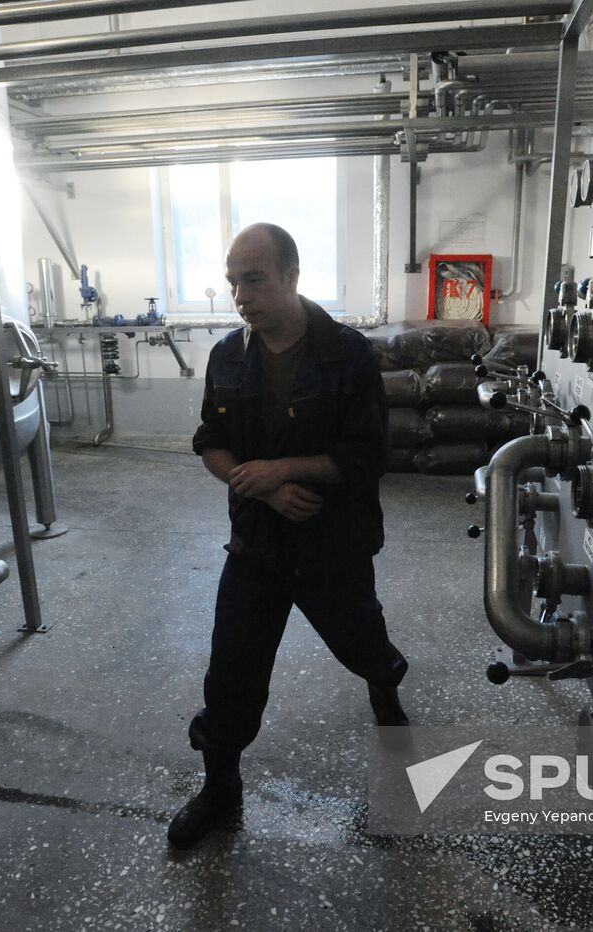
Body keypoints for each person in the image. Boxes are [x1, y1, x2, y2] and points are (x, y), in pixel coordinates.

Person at [169, 222, 409, 849]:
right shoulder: (227, 357)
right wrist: (267, 488)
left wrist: (287, 469)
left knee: (365, 645)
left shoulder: (347, 356)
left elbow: (367, 456)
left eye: (254, 280)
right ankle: (221, 790)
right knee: (230, 679)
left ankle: (383, 687)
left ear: (292, 277)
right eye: (233, 282)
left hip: (334, 546)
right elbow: (212, 446)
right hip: (257, 548)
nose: (241, 296)